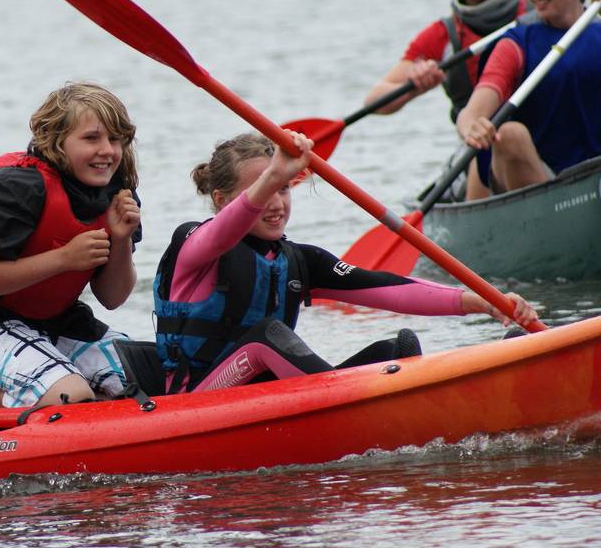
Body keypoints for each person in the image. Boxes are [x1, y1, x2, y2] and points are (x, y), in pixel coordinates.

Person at [153, 131, 538, 393]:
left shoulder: (297, 260)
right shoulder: (196, 246)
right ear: (222, 200)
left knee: (393, 352)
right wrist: (274, 173)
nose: (276, 202)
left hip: (268, 397)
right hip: (199, 397)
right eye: (266, 188)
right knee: (266, 336)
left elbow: (390, 290)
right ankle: (348, 404)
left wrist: (483, 302)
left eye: (285, 188)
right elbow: (223, 231)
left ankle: (457, 388)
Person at [0, 82, 141, 409]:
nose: (108, 151)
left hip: (61, 322)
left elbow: (113, 298)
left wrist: (121, 238)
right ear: (56, 142)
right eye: (91, 138)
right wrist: (64, 258)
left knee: (153, 382)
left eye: (115, 139)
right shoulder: (15, 189)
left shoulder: (114, 194)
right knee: (71, 397)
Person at [457, 0, 601, 199]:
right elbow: (473, 111)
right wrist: (471, 127)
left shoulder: (598, 29)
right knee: (510, 134)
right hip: (539, 182)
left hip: (596, 175)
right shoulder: (516, 44)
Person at [363, 0, 529, 121]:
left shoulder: (538, 17)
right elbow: (373, 102)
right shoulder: (443, 35)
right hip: (479, 144)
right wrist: (414, 87)